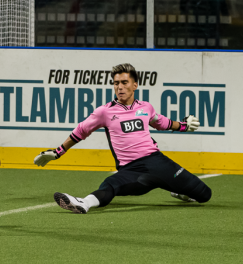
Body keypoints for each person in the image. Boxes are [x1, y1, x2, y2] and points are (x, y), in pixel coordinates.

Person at [34, 63, 212, 213]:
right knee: (110, 184)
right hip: (131, 169)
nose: (120, 87)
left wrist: (184, 126)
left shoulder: (146, 107)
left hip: (158, 163)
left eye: (124, 82)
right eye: (116, 83)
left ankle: (180, 190)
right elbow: (80, 131)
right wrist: (58, 152)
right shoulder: (104, 112)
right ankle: (83, 203)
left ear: (135, 85)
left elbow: (162, 122)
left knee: (205, 195)